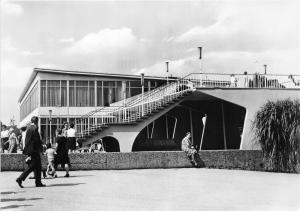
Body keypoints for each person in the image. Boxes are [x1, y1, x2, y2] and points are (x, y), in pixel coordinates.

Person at [16, 116, 46, 188]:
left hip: (30, 150)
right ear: (36, 122)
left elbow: (27, 140)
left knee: (37, 166)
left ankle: (38, 182)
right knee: (32, 166)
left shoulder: (29, 128)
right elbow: (36, 141)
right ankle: (20, 179)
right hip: (34, 150)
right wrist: (41, 148)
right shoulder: (35, 128)